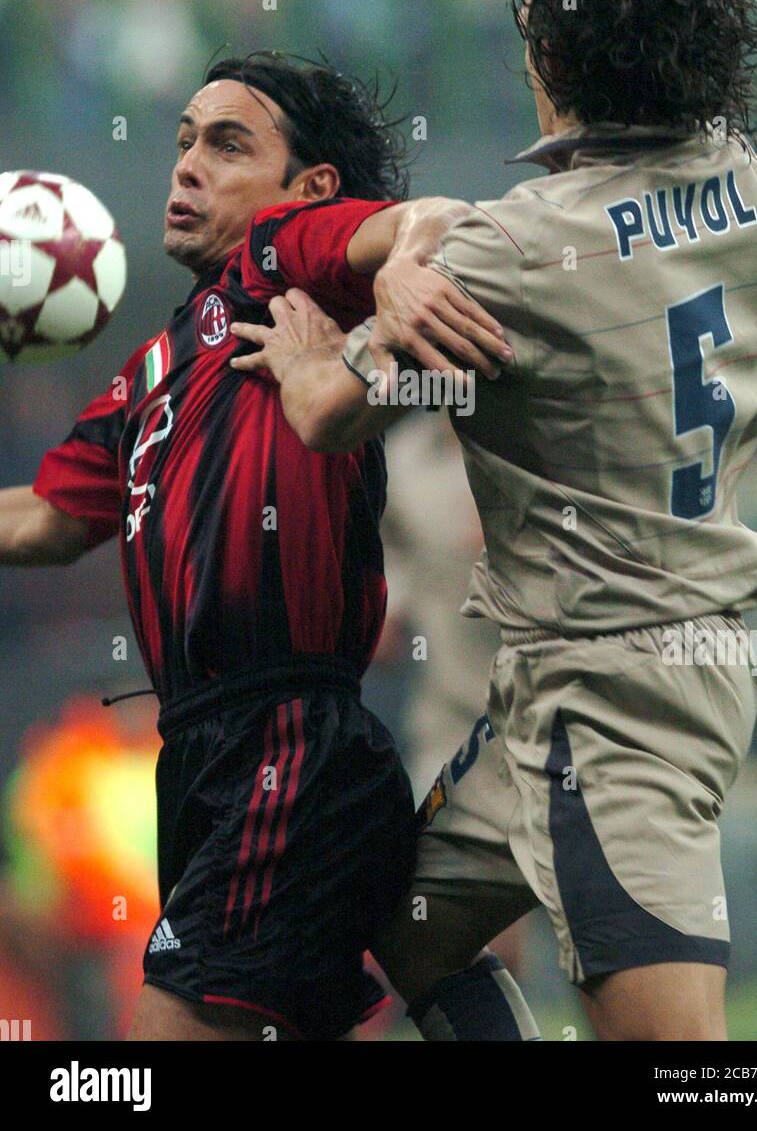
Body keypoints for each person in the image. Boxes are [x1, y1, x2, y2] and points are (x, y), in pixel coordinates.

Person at [230, 0, 757, 1041]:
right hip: (582, 686)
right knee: (389, 936)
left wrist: (311, 348)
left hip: (608, 709)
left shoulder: (516, 246)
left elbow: (322, 414)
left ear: (554, 57)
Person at [0, 51, 508, 1041]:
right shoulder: (154, 365)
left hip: (285, 740)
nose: (188, 164)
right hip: (202, 758)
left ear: (308, 187)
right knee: (391, 980)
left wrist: (405, 263)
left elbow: (431, 218)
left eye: (227, 143)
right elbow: (45, 520)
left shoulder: (282, 256)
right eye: (184, 139)